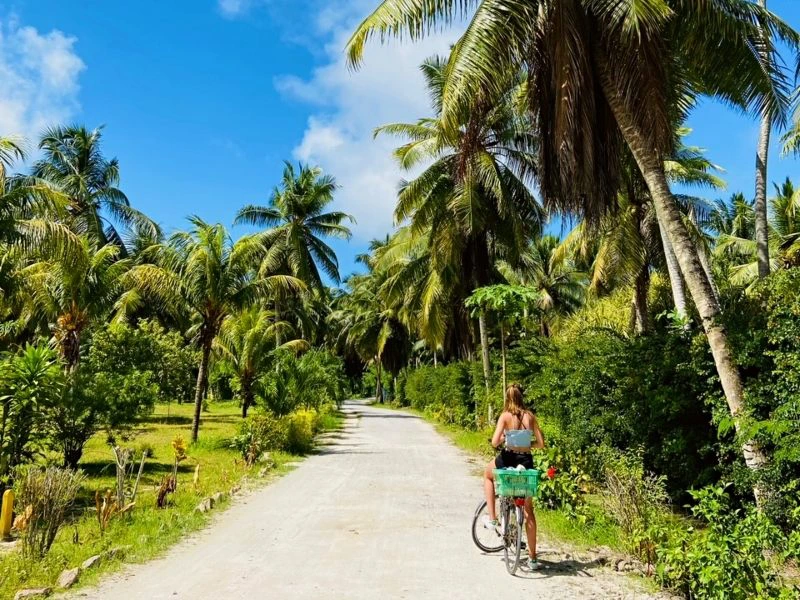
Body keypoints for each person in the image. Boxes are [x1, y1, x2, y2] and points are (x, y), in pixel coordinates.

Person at [483, 383, 545, 570]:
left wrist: (504, 439)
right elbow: (541, 444)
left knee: (487, 475)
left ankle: (493, 518)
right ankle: (533, 559)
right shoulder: (531, 417)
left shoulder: (505, 416)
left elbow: (494, 443)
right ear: (522, 397)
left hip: (508, 458)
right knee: (529, 511)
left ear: (508, 398)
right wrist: (527, 445)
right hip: (525, 462)